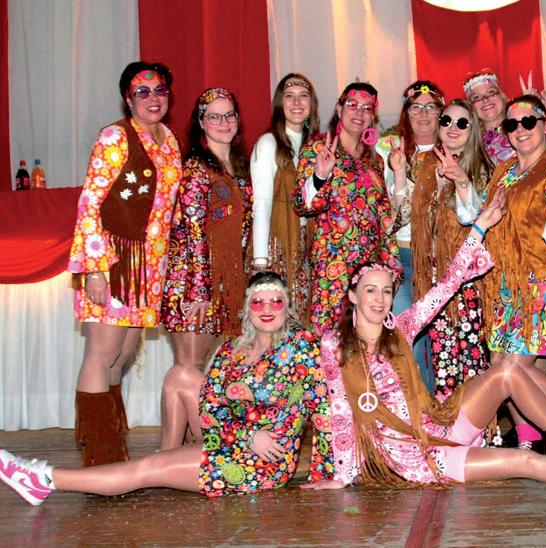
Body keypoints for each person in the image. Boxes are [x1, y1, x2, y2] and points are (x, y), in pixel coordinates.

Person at [302, 195, 546, 489]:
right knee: (526, 464)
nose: (379, 300)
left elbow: (448, 284)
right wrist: (343, 476)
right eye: (370, 291)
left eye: (386, 291)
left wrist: (480, 228)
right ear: (352, 295)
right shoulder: (334, 347)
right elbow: (340, 413)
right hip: (418, 458)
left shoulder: (400, 327)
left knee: (507, 371)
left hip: (442, 422)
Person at [0, 272, 333, 505]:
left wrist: (329, 473)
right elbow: (211, 405)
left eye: (276, 302)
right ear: (248, 309)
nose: (268, 309)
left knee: (146, 469)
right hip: (233, 439)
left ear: (287, 306)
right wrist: (246, 434)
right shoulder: (233, 350)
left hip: (261, 464)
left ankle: (43, 477)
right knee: (162, 433)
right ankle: (162, 462)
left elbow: (322, 408)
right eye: (259, 303)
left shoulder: (301, 345)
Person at [456, 95, 546, 450]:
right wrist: (462, 182)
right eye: (512, 124)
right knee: (508, 366)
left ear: (545, 125)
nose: (520, 130)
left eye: (528, 121)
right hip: (507, 285)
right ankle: (544, 436)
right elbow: (485, 217)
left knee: (512, 369)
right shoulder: (504, 171)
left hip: (544, 281)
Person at [66, 61, 182, 466]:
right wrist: (95, 268)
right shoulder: (115, 136)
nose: (153, 98)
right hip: (115, 261)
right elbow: (90, 203)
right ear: (128, 99)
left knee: (122, 354)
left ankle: (112, 444)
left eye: (159, 90)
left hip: (149, 268)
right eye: (142, 92)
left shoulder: (168, 139)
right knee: (102, 353)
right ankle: (101, 457)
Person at [159, 88, 253, 449]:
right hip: (192, 284)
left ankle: (180, 453)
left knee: (196, 371)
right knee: (188, 369)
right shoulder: (196, 170)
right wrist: (199, 291)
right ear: (201, 122)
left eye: (229, 115)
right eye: (214, 116)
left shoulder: (238, 167)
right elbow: (192, 231)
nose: (223, 122)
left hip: (222, 282)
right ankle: (172, 453)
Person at [292, 82, 402, 335]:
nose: (359, 112)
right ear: (339, 108)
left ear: (373, 115)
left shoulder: (374, 159)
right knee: (331, 340)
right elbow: (301, 204)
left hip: (370, 270)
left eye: (367, 108)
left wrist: (390, 264)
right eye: (353, 105)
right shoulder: (318, 148)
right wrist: (320, 175)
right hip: (333, 267)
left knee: (368, 338)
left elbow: (384, 216)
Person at [411, 99, 493, 396]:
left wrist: (461, 180)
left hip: (467, 279)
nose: (452, 128)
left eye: (462, 123)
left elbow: (472, 217)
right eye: (446, 121)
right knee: (443, 359)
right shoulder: (425, 164)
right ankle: (449, 422)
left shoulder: (483, 167)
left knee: (472, 362)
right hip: (434, 278)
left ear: (473, 129)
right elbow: (410, 216)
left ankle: (479, 422)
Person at [376, 80, 445, 383]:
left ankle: (440, 406)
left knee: (441, 345)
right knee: (408, 338)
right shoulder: (388, 150)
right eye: (416, 108)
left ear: (441, 112)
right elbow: (393, 217)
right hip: (402, 257)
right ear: (406, 112)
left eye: (431, 107)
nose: (424, 114)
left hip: (441, 259)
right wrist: (399, 172)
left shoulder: (455, 146)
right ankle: (417, 406)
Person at [250, 73, 320, 321]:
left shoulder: (316, 146)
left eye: (303, 96)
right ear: (280, 103)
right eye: (289, 96)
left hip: (306, 248)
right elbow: (261, 205)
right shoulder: (269, 143)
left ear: (312, 104)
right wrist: (261, 263)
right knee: (275, 322)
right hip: (276, 245)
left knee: (302, 321)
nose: (297, 103)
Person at [463, 69, 546, 165]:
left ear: (501, 96)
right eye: (476, 97)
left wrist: (544, 115)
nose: (485, 99)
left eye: (491, 92)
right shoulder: (471, 142)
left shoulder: (521, 129)